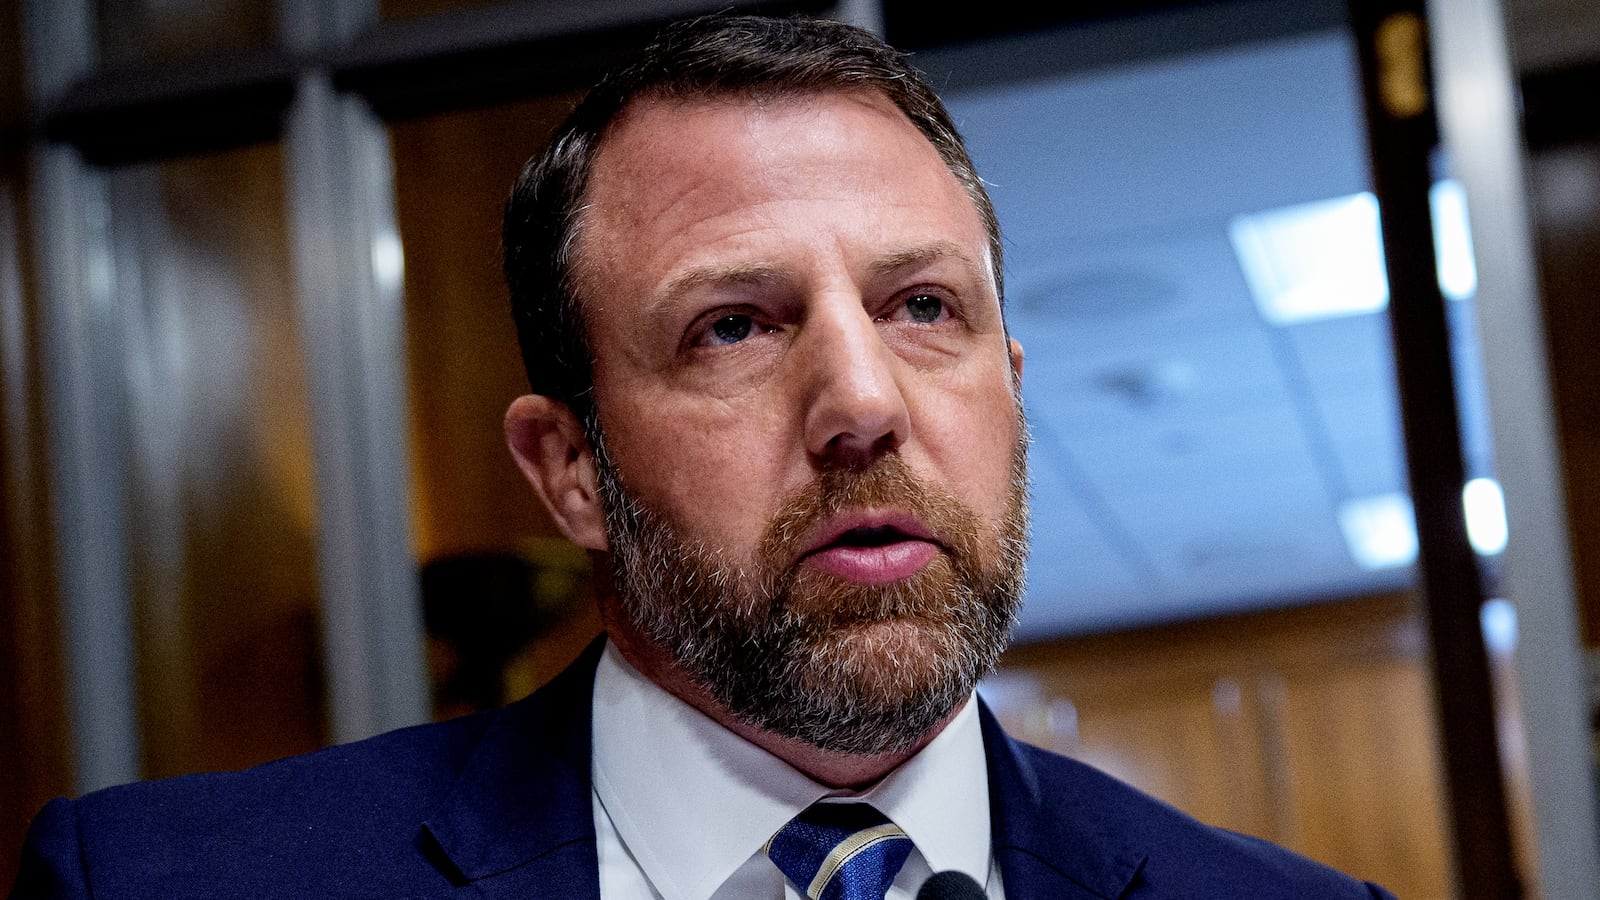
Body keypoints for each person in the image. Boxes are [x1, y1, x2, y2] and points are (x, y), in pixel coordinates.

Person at [11, 14, 1394, 900]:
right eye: (735, 326)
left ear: (1012, 393)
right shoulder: (159, 885)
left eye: (925, 309)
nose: (865, 402)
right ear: (567, 468)